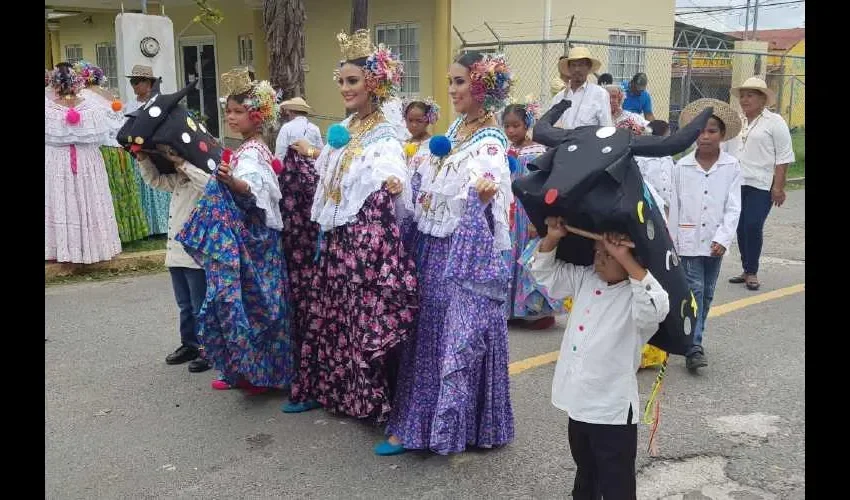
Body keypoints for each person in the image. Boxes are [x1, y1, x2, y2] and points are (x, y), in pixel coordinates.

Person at [377, 51, 515, 456]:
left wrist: (485, 192)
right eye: (451, 81)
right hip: (431, 245)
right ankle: (443, 422)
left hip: (459, 253)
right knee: (429, 334)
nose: (452, 89)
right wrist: (404, 189)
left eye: (459, 81)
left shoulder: (488, 140)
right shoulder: (457, 128)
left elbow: (491, 182)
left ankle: (437, 427)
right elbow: (429, 178)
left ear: (482, 86)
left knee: (450, 334)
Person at [283, 30, 418, 422]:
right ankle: (333, 393)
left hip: (362, 244)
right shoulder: (347, 128)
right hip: (336, 241)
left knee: (360, 321)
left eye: (353, 81)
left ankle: (368, 400)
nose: (345, 88)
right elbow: (329, 172)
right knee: (333, 318)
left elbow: (391, 166)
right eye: (341, 81)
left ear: (373, 83)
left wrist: (393, 183)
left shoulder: (382, 132)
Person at [528, 217, 670, 500]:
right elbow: (545, 275)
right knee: (586, 472)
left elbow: (658, 307)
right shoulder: (585, 278)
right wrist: (553, 237)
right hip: (578, 403)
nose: (600, 260)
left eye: (608, 255)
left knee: (616, 482)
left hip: (611, 411)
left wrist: (625, 259)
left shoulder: (635, 296)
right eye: (597, 253)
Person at [176, 68, 292, 393]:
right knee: (246, 304)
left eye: (239, 111)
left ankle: (260, 373)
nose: (231, 117)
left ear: (257, 116)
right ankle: (245, 370)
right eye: (229, 110)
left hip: (259, 243)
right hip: (250, 239)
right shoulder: (245, 149)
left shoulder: (253, 152)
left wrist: (232, 182)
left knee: (257, 305)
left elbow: (254, 187)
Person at [670, 98, 742, 371]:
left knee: (708, 293)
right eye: (700, 130)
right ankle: (693, 346)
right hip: (688, 241)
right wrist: (674, 241)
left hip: (715, 242)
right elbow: (674, 206)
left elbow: (734, 207)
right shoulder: (682, 167)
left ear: (722, 134)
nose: (705, 136)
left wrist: (723, 238)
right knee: (695, 290)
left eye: (712, 130)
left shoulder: (731, 167)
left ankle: (694, 337)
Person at [136, 145, 212, 372]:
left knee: (200, 306)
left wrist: (183, 163)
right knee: (185, 305)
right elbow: (155, 181)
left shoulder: (200, 179)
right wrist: (142, 159)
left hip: (194, 256)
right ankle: (189, 344)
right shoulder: (179, 180)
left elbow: (210, 184)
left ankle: (208, 350)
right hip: (175, 254)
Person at [45, 63, 122, 264]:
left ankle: (64, 250)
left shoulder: (49, 109)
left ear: (55, 85)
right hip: (87, 160)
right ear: (77, 83)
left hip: (58, 161)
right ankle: (95, 247)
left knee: (62, 200)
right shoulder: (92, 108)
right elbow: (103, 134)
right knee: (89, 198)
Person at [725, 77, 795, 291]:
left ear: (763, 99)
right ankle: (746, 269)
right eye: (743, 96)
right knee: (740, 227)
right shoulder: (737, 121)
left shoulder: (775, 122)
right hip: (737, 182)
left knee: (753, 225)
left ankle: (752, 271)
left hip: (762, 184)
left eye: (751, 95)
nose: (745, 100)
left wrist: (779, 187)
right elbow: (726, 151)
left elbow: (783, 157)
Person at [75, 61, 150, 244]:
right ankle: (130, 231)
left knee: (109, 191)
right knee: (124, 189)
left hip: (104, 148)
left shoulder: (84, 96)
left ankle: (114, 231)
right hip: (121, 149)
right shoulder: (109, 95)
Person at [502, 103, 562, 330]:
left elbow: (543, 186)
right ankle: (510, 309)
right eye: (507, 126)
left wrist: (539, 219)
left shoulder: (537, 151)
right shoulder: (504, 149)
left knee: (530, 258)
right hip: (509, 212)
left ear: (527, 124)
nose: (511, 131)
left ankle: (535, 310)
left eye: (516, 125)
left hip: (528, 213)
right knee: (508, 255)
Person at [124, 64, 171, 237]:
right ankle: (147, 227)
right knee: (142, 185)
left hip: (155, 149)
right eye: (132, 82)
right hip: (137, 151)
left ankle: (162, 225)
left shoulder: (158, 102)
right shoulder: (130, 105)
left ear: (148, 83)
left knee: (159, 183)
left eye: (137, 81)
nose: (134, 86)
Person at [548, 47, 612, 130]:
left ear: (588, 67)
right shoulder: (559, 98)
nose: (577, 69)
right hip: (562, 142)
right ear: (569, 68)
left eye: (581, 65)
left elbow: (606, 127)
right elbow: (549, 126)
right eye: (573, 65)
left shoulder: (599, 94)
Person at [402, 98, 440, 200]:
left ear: (428, 120)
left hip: (422, 197)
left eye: (419, 121)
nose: (413, 125)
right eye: (410, 120)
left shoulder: (433, 146)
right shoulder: (402, 145)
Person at [635, 119, 674, 217]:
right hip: (650, 204)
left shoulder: (667, 157)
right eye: (667, 136)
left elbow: (672, 180)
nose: (669, 139)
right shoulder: (641, 158)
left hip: (668, 205)